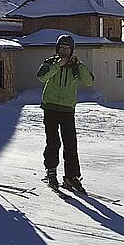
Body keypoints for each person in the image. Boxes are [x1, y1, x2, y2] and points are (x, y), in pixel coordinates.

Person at [37, 34, 97, 192]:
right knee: (53, 142)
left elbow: (89, 81)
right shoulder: (50, 62)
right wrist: (58, 65)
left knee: (71, 144)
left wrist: (79, 65)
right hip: (50, 107)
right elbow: (41, 77)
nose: (63, 51)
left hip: (67, 109)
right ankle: (51, 172)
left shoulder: (75, 66)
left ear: (71, 50)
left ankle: (71, 177)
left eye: (66, 48)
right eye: (61, 48)